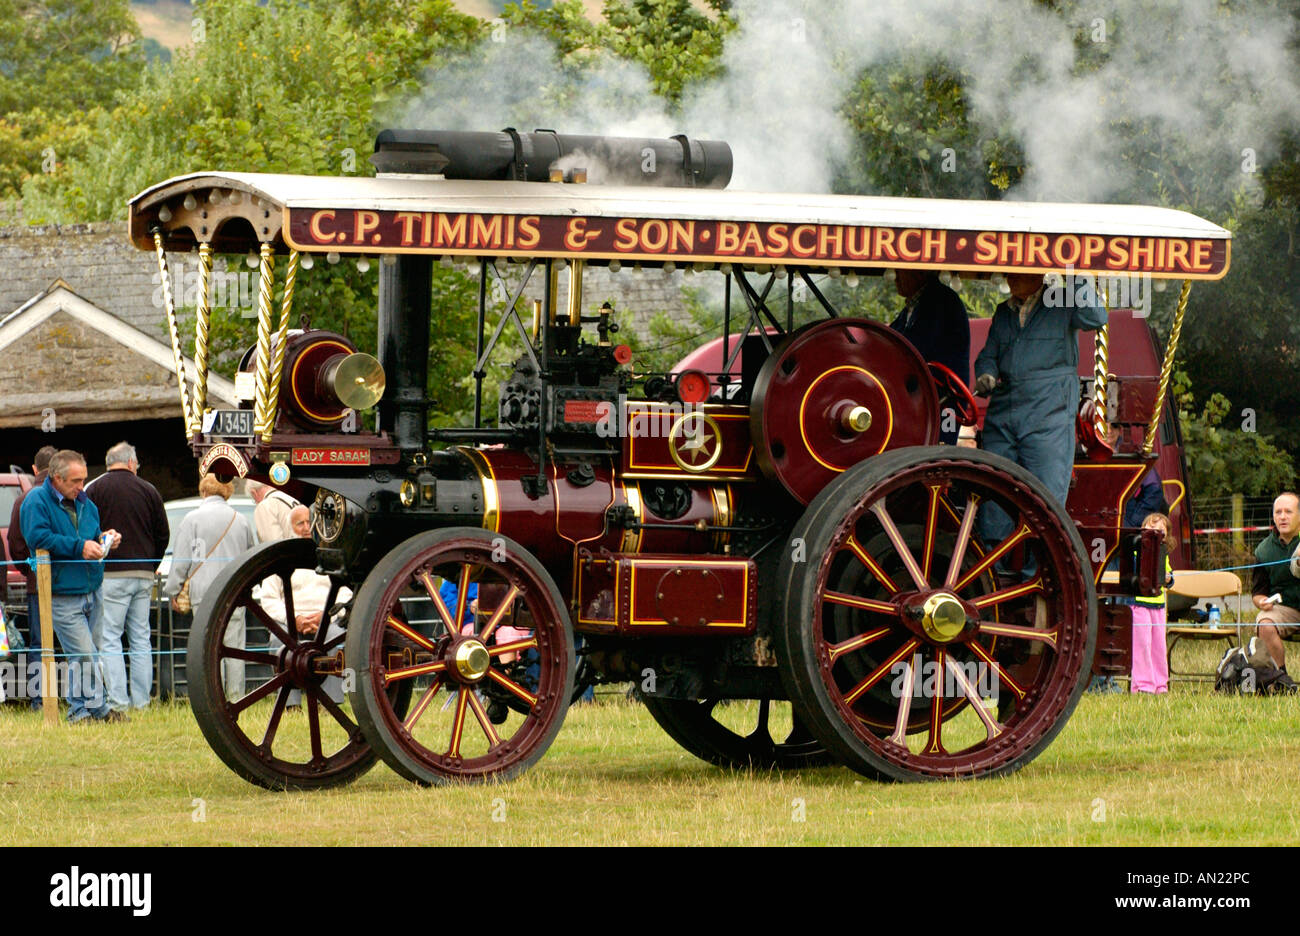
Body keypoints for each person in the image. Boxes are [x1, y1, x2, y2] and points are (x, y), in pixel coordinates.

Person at [974, 272, 1106, 573]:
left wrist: (1074, 277)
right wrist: (986, 372)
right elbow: (987, 356)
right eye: (1008, 272)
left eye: (1018, 271)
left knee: (1045, 500)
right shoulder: (1002, 312)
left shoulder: (1061, 301)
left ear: (1038, 273)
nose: (1011, 278)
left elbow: (1097, 317)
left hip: (1048, 415)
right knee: (994, 494)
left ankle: (1038, 579)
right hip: (1004, 414)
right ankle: (994, 576)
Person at [18, 449, 122, 723]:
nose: (81, 485)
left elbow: (89, 534)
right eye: (75, 480)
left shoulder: (87, 502)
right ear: (56, 478)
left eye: (83, 479)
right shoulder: (36, 502)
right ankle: (90, 710)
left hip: (92, 586)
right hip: (62, 593)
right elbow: (37, 536)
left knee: (89, 654)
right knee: (84, 653)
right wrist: (79, 547)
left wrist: (104, 538)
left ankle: (86, 710)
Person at [86, 442, 169, 714]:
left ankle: (119, 703)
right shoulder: (149, 490)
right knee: (141, 638)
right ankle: (142, 704)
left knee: (110, 638)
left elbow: (87, 530)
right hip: (143, 573)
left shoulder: (94, 489)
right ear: (132, 463)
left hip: (110, 574)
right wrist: (151, 563)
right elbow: (162, 533)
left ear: (111, 462)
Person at [165, 474, 255, 699]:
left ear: (203, 491)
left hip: (202, 593)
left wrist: (173, 590)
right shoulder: (240, 519)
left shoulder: (191, 519)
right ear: (227, 491)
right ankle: (236, 698)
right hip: (234, 592)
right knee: (234, 648)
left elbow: (182, 561)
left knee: (208, 647)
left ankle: (214, 697)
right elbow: (251, 556)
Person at [259, 505, 348, 707]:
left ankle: (330, 702)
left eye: (310, 522)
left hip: (325, 620)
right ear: (290, 527)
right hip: (290, 623)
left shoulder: (331, 556)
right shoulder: (280, 559)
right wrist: (295, 619)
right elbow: (269, 599)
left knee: (335, 638)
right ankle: (290, 704)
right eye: (300, 523)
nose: (306, 527)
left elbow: (345, 592)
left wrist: (325, 617)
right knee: (277, 641)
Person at [889, 269, 970, 445]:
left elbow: (916, 347)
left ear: (919, 273)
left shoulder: (942, 301)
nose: (895, 278)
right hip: (920, 396)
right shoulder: (913, 307)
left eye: (899, 272)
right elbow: (893, 338)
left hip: (944, 398)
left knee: (939, 449)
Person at [7, 444, 56, 710]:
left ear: (35, 469)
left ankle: (40, 700)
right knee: (73, 643)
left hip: (38, 585)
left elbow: (15, 544)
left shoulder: (23, 500)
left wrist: (32, 571)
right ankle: (79, 698)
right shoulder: (70, 496)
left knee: (39, 644)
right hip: (71, 584)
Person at [1250, 492, 1300, 691]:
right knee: (1265, 621)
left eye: (1288, 511)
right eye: (1278, 512)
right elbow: (1257, 592)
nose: (1283, 516)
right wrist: (1262, 602)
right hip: (1286, 609)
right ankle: (1280, 680)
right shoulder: (1264, 550)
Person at [1131, 512, 1175, 695]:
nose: (1156, 534)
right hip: (1140, 604)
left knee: (1158, 646)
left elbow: (1170, 578)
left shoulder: (1163, 554)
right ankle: (1143, 685)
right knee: (1142, 645)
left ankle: (1160, 684)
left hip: (1158, 606)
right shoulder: (1136, 551)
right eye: (1151, 529)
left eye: (1161, 531)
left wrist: (1168, 578)